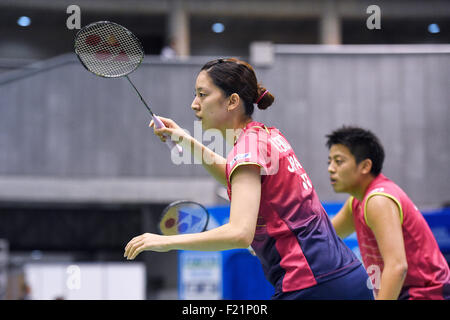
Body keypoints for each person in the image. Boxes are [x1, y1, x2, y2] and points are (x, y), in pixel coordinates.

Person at [124, 58, 373, 300]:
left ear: (232, 101)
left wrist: (167, 242)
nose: (194, 104)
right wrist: (184, 139)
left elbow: (239, 233)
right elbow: (236, 177)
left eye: (202, 94)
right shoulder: (266, 136)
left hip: (311, 284)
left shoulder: (248, 148)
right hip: (345, 276)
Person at [326, 126, 450, 300]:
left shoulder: (378, 200)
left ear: (365, 166)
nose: (331, 168)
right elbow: (325, 238)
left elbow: (397, 266)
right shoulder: (356, 202)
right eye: (329, 162)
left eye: (339, 161)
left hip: (426, 294)